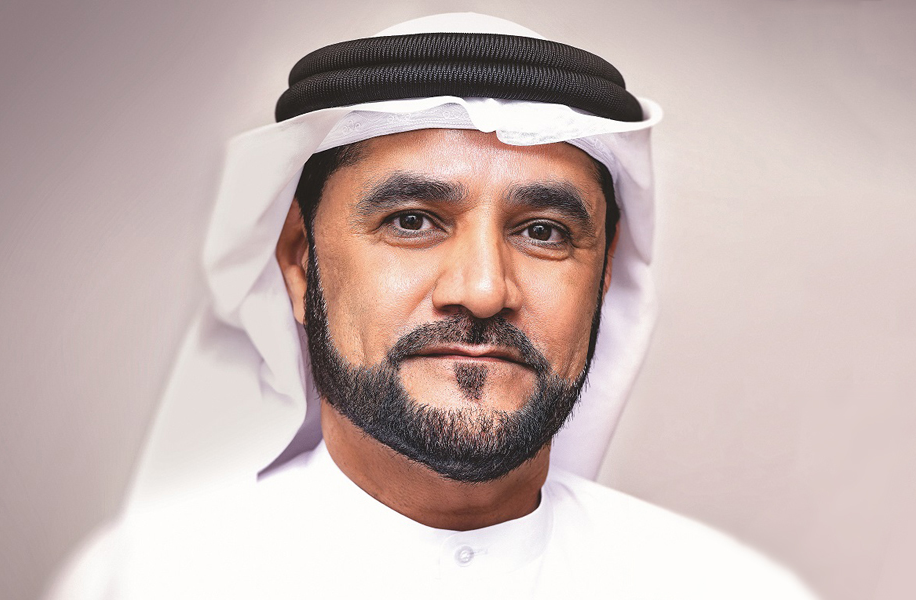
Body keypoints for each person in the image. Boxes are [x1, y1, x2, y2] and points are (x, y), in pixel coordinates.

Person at [47, 13, 815, 600]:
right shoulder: (145, 583)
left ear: (604, 276)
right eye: (412, 221)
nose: (482, 290)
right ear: (300, 261)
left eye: (543, 232)